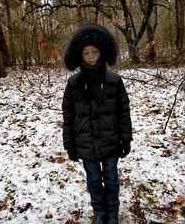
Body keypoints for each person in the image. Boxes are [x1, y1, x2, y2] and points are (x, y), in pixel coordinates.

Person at [62, 24, 132, 224]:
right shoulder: (73, 84)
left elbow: (123, 111)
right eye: (86, 53)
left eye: (94, 51)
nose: (91, 56)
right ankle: (99, 213)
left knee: (111, 179)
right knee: (93, 181)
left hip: (110, 142)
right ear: (79, 55)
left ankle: (112, 214)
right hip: (86, 144)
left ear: (102, 52)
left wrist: (125, 139)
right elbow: (68, 116)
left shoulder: (114, 80)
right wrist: (70, 145)